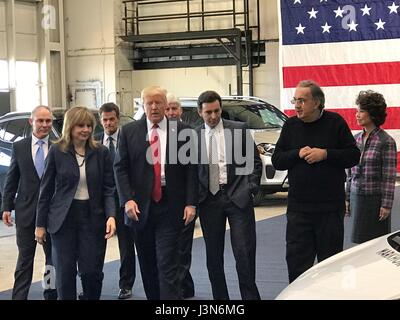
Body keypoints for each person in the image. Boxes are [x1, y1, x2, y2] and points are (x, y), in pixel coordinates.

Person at [271, 80, 361, 283]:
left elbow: (353, 155)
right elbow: (277, 160)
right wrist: (296, 153)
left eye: (302, 100)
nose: (297, 105)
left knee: (329, 269)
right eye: (295, 100)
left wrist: (326, 154)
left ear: (317, 103)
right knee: (297, 268)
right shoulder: (290, 125)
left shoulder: (335, 122)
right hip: (298, 211)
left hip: (329, 211)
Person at [114, 86, 198, 300]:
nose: (154, 107)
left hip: (171, 205)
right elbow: (120, 168)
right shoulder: (129, 132)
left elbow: (191, 170)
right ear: (142, 105)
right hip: (140, 208)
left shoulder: (182, 131)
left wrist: (191, 203)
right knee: (148, 264)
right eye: (149, 102)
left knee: (167, 263)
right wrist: (127, 200)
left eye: (158, 102)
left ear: (165, 104)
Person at [35, 106, 116, 300]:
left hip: (92, 219)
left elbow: (109, 188)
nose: (86, 129)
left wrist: (111, 215)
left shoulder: (101, 152)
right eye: (81, 125)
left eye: (89, 125)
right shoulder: (56, 151)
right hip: (63, 221)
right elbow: (45, 191)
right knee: (64, 274)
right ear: (70, 127)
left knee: (91, 272)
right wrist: (40, 224)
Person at [196, 90, 262, 300]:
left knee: (244, 253)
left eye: (216, 111)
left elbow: (254, 162)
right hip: (209, 201)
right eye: (208, 112)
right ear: (200, 112)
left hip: (237, 197)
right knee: (213, 257)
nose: (213, 116)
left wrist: (250, 188)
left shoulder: (239, 129)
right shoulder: (192, 136)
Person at [1, 105, 57, 300]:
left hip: (53, 214)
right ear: (31, 122)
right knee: (25, 260)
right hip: (26, 213)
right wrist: (6, 206)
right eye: (40, 121)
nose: (44, 125)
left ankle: (51, 293)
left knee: (52, 260)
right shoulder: (19, 147)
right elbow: (12, 179)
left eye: (48, 121)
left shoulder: (59, 146)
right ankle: (19, 296)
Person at [346, 90, 397, 244]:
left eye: (361, 111)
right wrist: (347, 198)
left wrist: (386, 205)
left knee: (375, 245)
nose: (357, 115)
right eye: (357, 111)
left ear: (373, 114)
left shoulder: (386, 141)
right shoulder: (355, 140)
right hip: (356, 198)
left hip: (374, 202)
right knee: (358, 244)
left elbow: (388, 177)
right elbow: (349, 173)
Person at [98, 102, 136, 299]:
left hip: (123, 200)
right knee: (94, 246)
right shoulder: (95, 143)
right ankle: (91, 284)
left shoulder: (128, 139)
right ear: (100, 120)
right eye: (104, 120)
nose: (108, 123)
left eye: (111, 119)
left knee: (126, 245)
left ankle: (126, 284)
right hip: (99, 203)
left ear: (118, 119)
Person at [165, 93, 195, 299]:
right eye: (167, 109)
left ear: (181, 111)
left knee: (183, 248)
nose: (171, 112)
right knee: (170, 248)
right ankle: (182, 286)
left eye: (174, 108)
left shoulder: (188, 133)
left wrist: (191, 202)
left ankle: (182, 287)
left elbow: (193, 171)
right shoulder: (156, 134)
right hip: (163, 203)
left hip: (186, 201)